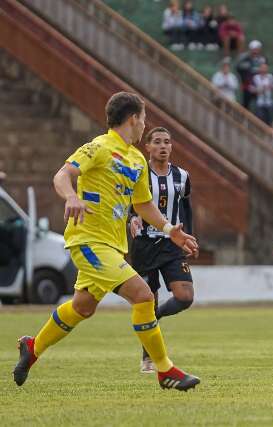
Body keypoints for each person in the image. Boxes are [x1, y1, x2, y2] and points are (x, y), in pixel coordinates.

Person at [12, 92, 200, 390]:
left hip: (112, 246)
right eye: (143, 119)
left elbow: (142, 205)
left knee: (82, 307)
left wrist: (168, 229)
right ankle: (165, 370)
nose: (144, 125)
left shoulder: (137, 159)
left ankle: (32, 347)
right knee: (143, 295)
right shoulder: (98, 147)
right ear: (133, 119)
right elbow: (62, 175)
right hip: (87, 241)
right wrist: (72, 196)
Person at [128, 127, 195, 374]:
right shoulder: (138, 174)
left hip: (172, 243)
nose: (163, 146)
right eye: (157, 142)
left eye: (167, 142)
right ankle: (148, 357)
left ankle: (154, 317)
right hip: (144, 244)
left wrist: (188, 235)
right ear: (147, 147)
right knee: (147, 299)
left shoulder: (182, 176)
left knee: (185, 296)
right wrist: (131, 218)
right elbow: (128, 202)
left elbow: (186, 206)